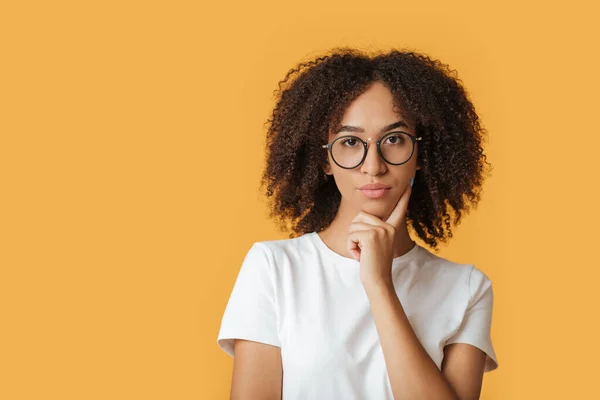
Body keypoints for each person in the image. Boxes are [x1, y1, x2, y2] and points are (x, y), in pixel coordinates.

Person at [217, 47, 499, 400]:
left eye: (394, 139)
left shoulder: (466, 289)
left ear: (422, 154)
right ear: (325, 160)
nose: (373, 166)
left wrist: (379, 284)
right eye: (350, 142)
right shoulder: (274, 269)